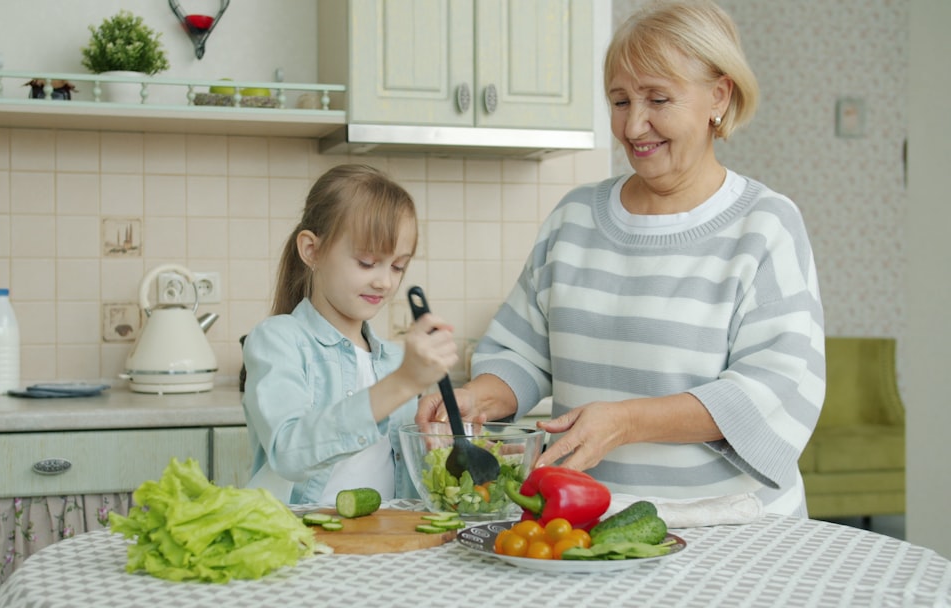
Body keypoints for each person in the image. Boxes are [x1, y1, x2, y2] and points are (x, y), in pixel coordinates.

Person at [417, 0, 825, 517]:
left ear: (718, 96)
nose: (634, 127)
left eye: (657, 99)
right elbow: (521, 352)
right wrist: (479, 398)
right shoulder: (575, 217)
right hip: (587, 519)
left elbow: (774, 389)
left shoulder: (765, 225)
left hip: (727, 525)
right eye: (619, 101)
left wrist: (627, 421)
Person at [243, 163, 458, 505]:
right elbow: (288, 452)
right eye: (367, 262)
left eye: (397, 266)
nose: (385, 281)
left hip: (382, 543)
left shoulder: (396, 360)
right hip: (301, 544)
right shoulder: (278, 341)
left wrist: (442, 447)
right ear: (311, 250)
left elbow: (410, 482)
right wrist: (402, 383)